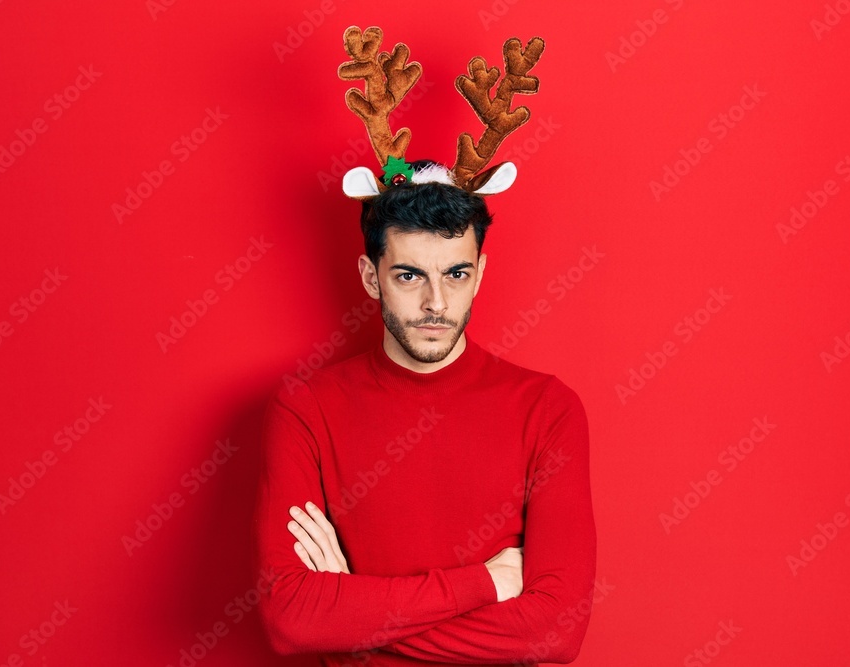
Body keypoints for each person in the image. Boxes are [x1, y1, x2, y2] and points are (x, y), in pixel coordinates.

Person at [254, 25, 596, 666]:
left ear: (480, 274)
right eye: (410, 276)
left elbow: (556, 632)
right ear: (370, 276)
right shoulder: (306, 409)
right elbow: (291, 621)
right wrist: (486, 583)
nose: (436, 302)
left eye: (456, 274)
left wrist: (352, 612)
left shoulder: (547, 409)